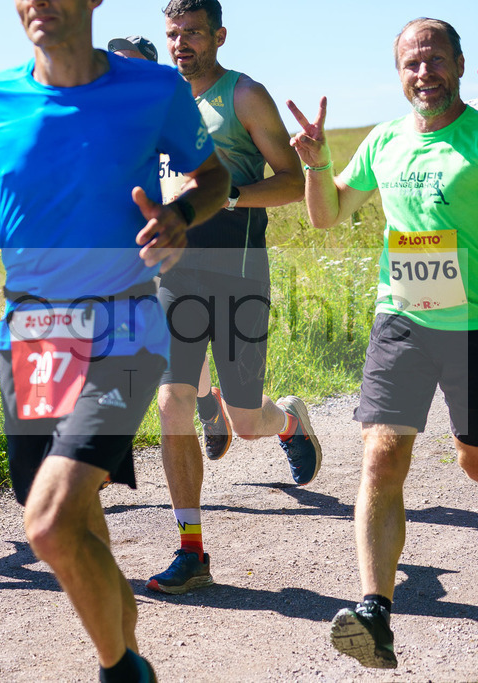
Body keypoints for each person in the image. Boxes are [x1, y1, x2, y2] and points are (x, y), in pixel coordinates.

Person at [0, 0, 230, 680]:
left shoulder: (154, 88)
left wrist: (179, 215)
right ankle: (131, 654)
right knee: (78, 521)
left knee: (49, 522)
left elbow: (214, 178)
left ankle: (121, 671)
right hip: (30, 337)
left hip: (124, 331)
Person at [289, 17, 478, 670]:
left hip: (472, 325)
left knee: (473, 460)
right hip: (402, 317)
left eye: (435, 59)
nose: (424, 73)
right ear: (398, 74)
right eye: (411, 63)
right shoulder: (385, 141)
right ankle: (375, 610)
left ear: (459, 63)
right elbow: (327, 214)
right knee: (381, 456)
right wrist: (315, 164)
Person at [145, 0, 320, 596]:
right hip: (176, 275)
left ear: (219, 35)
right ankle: (191, 549)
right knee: (171, 401)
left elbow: (292, 182)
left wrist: (230, 196)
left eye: (193, 32)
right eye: (174, 33)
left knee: (246, 423)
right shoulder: (161, 100)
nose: (182, 43)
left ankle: (288, 420)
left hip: (238, 273)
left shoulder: (244, 95)